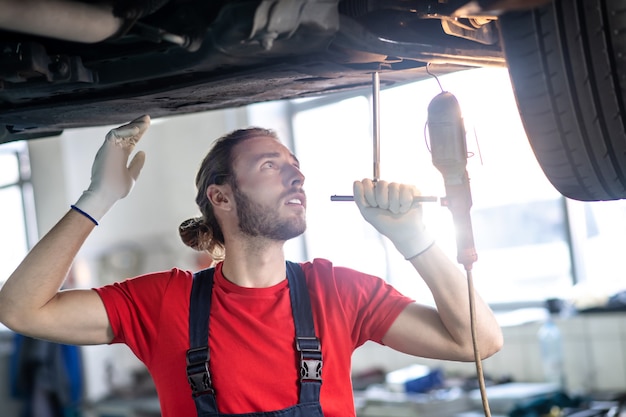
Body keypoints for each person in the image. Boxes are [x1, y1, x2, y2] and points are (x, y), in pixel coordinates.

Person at [0, 115, 503, 417]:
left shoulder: (337, 291)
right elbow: (22, 310)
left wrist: (415, 239)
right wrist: (98, 197)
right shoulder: (162, 302)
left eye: (296, 169)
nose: (296, 177)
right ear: (220, 196)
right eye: (271, 166)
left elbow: (478, 343)